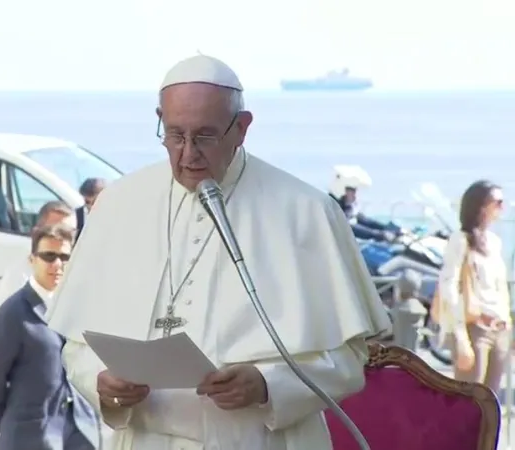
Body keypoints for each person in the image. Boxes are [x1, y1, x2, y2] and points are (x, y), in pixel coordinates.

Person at [47, 54, 391, 450]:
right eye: (174, 134)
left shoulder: (306, 211)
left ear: (241, 128)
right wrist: (100, 382)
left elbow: (349, 360)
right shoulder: (119, 204)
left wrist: (269, 385)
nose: (188, 153)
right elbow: (77, 347)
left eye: (205, 136)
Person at [0, 224, 100, 450]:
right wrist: (11, 423)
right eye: (48, 256)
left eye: (64, 257)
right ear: (32, 260)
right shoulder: (13, 313)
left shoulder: (75, 307)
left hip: (80, 433)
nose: (57, 264)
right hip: (31, 437)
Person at [439, 180, 510, 394]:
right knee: (470, 400)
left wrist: (507, 321)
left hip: (499, 328)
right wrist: (460, 337)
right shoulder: (461, 241)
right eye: (497, 202)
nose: (501, 208)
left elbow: (499, 287)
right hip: (474, 328)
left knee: (491, 402)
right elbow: (448, 286)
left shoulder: (494, 242)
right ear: (480, 205)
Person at [0, 200, 76, 302]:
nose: (63, 238)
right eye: (56, 231)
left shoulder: (79, 271)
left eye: (70, 232)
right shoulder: (18, 277)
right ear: (36, 232)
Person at [75, 178, 107, 243]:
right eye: (87, 202)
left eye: (95, 202)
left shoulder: (113, 217)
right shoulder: (74, 217)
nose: (91, 207)